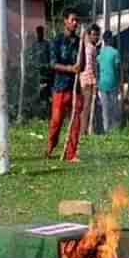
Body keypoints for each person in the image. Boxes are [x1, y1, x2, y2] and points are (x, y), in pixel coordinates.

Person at [46, 8, 82, 162]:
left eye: (76, 20)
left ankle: (71, 153)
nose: (75, 23)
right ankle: (50, 146)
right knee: (56, 121)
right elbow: (53, 63)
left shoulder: (80, 42)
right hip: (60, 87)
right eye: (72, 20)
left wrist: (80, 66)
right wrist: (69, 68)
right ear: (65, 21)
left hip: (75, 88)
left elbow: (82, 63)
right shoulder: (57, 41)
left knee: (75, 122)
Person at [97, 30, 120, 132]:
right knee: (113, 107)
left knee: (105, 108)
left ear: (103, 40)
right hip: (113, 83)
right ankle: (114, 128)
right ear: (110, 39)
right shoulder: (115, 52)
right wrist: (120, 81)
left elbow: (97, 66)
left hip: (102, 83)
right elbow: (118, 68)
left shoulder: (100, 53)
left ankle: (106, 128)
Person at [80, 24, 100, 137]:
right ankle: (83, 132)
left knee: (88, 107)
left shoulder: (90, 47)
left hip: (88, 80)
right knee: (87, 107)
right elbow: (90, 67)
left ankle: (87, 130)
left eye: (97, 35)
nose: (96, 37)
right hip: (88, 81)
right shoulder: (90, 48)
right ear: (89, 35)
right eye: (94, 35)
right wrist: (94, 81)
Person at [34, 26, 53, 108]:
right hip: (37, 73)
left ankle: (47, 107)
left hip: (47, 73)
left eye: (41, 32)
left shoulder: (47, 44)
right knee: (39, 93)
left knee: (47, 92)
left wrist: (48, 66)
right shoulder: (34, 45)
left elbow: (51, 57)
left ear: (43, 33)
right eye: (38, 32)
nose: (39, 34)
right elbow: (32, 57)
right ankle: (41, 109)